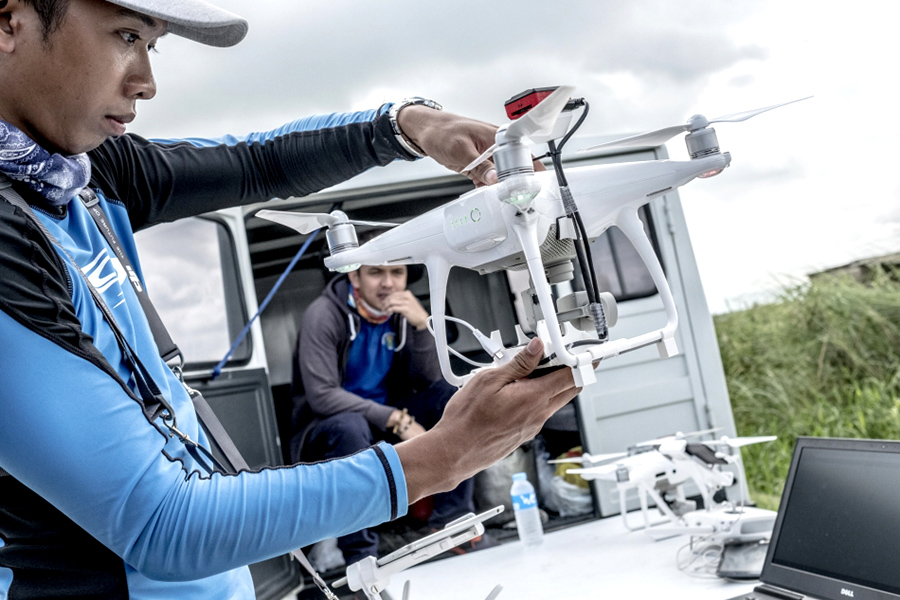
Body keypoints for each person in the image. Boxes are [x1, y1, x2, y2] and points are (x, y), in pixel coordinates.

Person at [0, 0, 579, 598]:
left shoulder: (82, 173)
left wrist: (407, 125)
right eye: (126, 36)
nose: (147, 82)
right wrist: (444, 456)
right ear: (8, 21)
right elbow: (162, 525)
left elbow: (257, 162)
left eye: (154, 45)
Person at [290, 258, 483, 566]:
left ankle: (453, 522)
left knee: (450, 396)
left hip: (383, 417)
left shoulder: (401, 313)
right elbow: (322, 397)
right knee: (350, 427)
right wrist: (396, 420)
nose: (388, 283)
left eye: (397, 272)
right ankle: (361, 556)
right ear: (355, 276)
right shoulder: (324, 314)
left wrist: (422, 325)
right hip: (328, 428)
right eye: (376, 272)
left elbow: (429, 379)